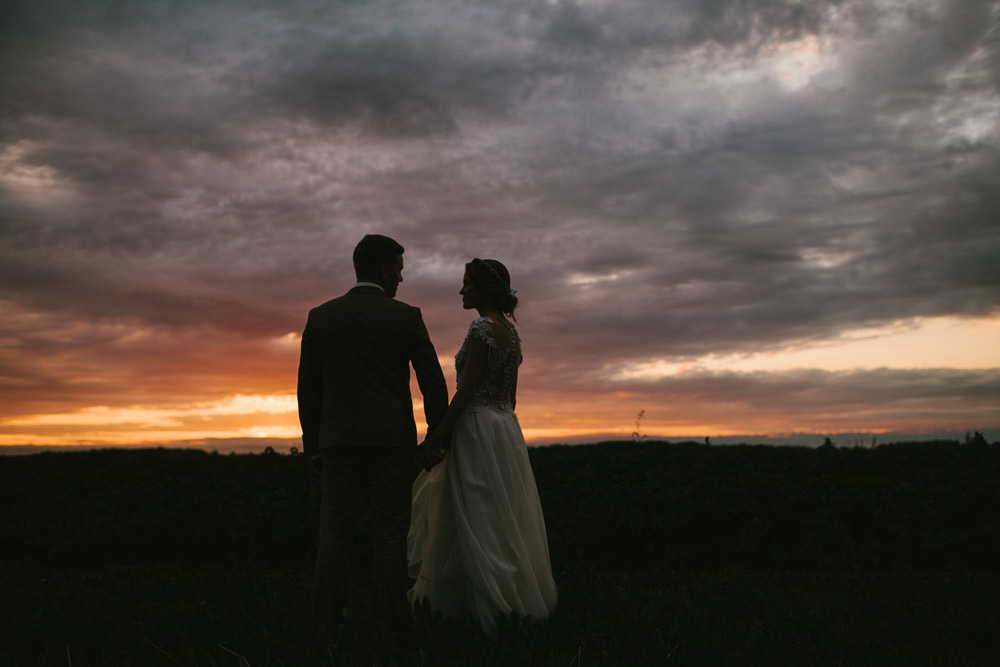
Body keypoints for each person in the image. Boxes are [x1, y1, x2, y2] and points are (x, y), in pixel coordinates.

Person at [297, 234, 449, 646]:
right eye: (398, 269)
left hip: (338, 443)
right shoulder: (406, 316)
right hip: (392, 444)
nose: (401, 278)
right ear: (383, 270)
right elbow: (432, 383)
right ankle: (390, 630)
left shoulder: (321, 317)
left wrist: (314, 444)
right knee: (389, 537)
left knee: (334, 536)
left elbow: (308, 387)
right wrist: (436, 435)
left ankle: (326, 630)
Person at [407, 258, 558, 635]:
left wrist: (438, 435)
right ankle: (498, 604)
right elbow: (511, 398)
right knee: (500, 513)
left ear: (483, 290)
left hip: (476, 428)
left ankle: (483, 610)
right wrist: (500, 425)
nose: (461, 290)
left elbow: (468, 391)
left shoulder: (480, 329)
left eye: (467, 284)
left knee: (475, 513)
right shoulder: (511, 333)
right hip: (505, 428)